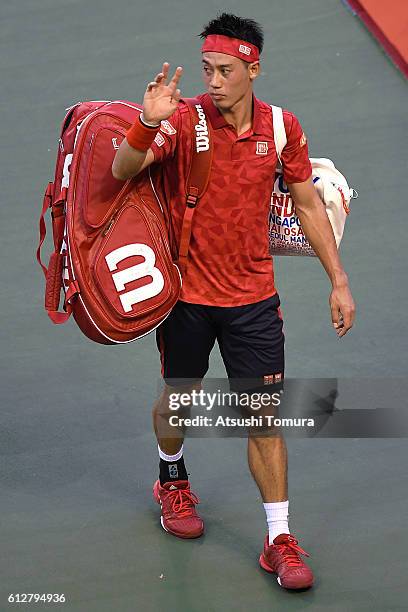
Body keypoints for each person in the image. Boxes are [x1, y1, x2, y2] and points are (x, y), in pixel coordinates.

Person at [112, 12, 355, 590]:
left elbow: (307, 204)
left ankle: (278, 540)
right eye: (207, 69)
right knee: (180, 405)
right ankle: (171, 476)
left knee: (263, 421)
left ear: (253, 69)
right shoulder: (182, 120)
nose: (213, 81)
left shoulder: (282, 129)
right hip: (188, 299)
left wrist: (337, 279)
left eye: (224, 71)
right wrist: (147, 123)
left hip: (253, 301)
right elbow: (124, 168)